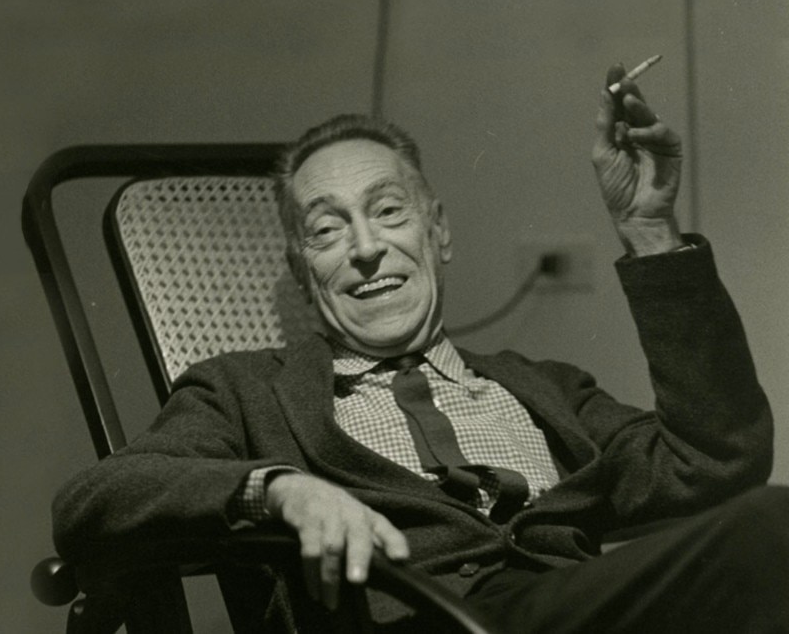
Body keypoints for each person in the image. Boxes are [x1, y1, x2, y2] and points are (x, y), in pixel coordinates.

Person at [52, 65, 787, 633]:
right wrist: (279, 490)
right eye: (327, 230)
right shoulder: (246, 391)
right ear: (303, 272)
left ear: (438, 233)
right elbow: (95, 500)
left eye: (387, 211)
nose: (365, 248)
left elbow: (716, 457)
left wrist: (651, 233)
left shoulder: (544, 389)